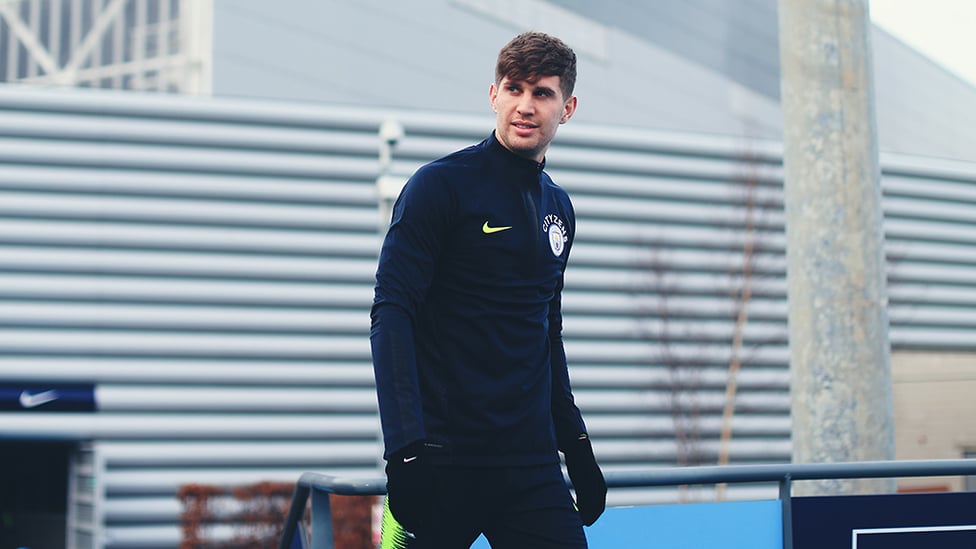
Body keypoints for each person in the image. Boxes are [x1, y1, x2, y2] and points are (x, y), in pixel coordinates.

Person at [370, 31, 606, 549]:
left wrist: (578, 446)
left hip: (530, 467)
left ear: (566, 107)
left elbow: (547, 336)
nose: (526, 106)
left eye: (541, 93)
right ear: (493, 94)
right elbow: (391, 314)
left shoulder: (558, 209)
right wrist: (404, 450)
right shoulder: (439, 186)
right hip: (441, 460)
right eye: (514, 89)